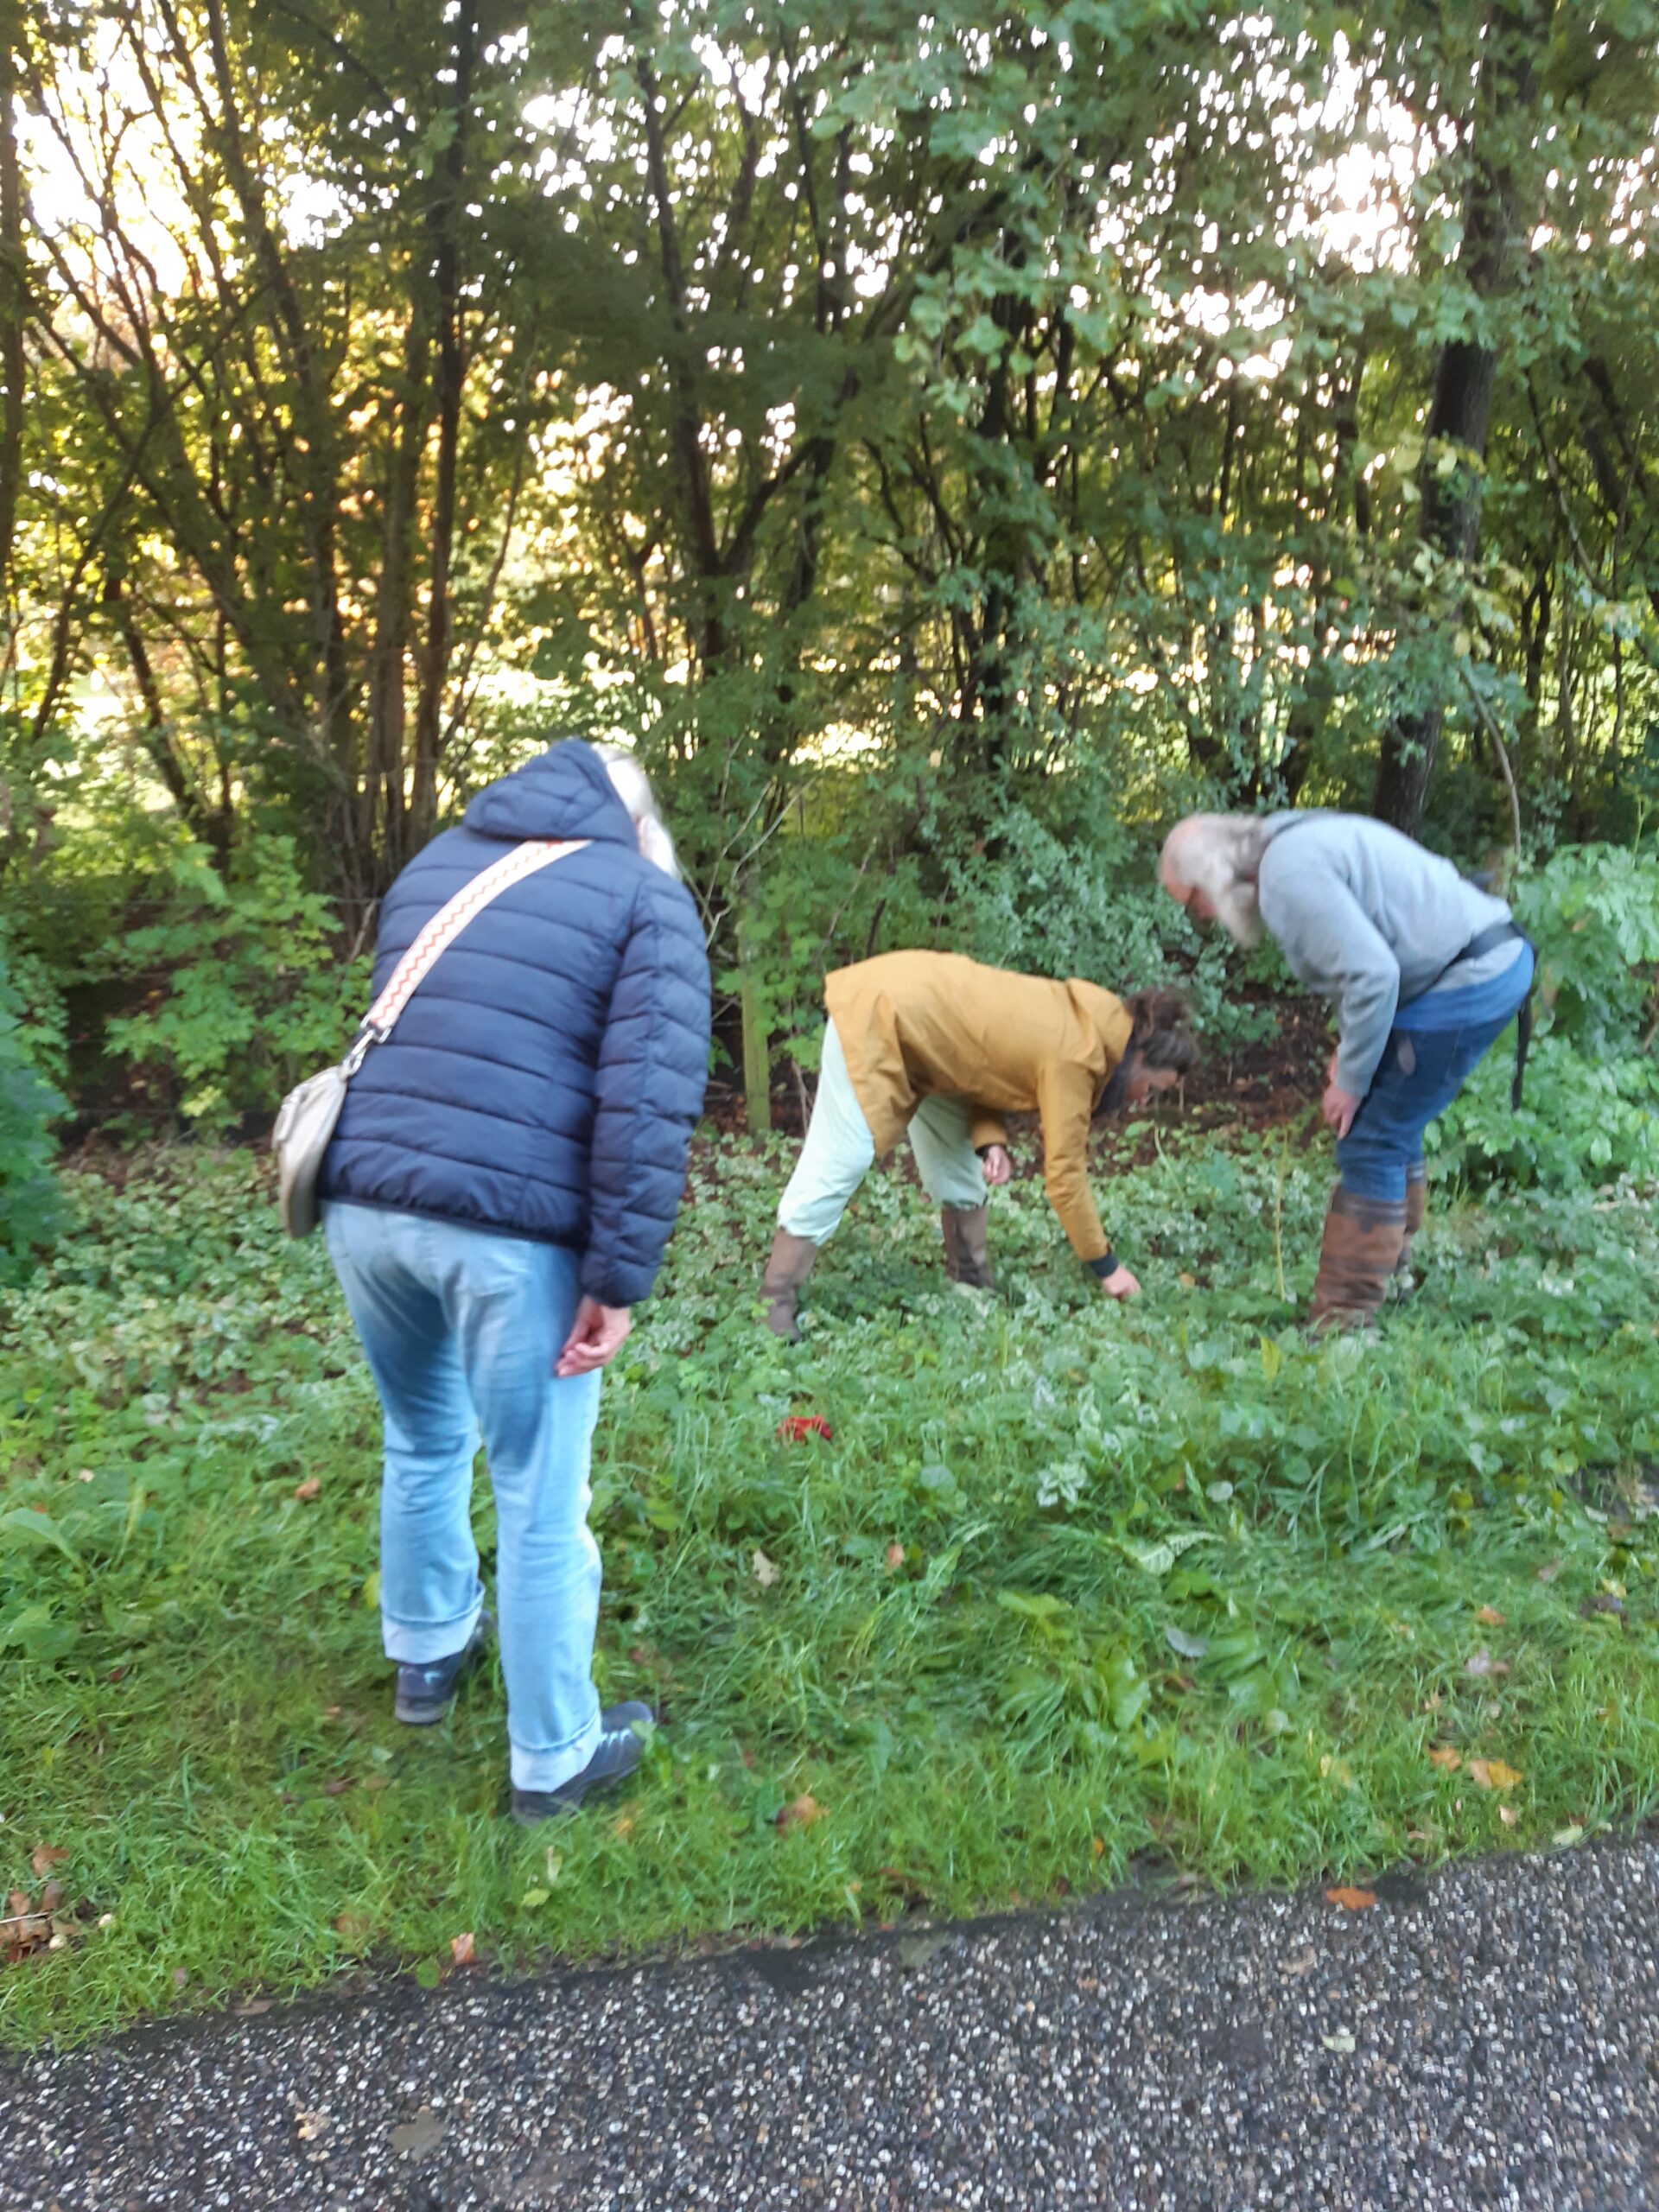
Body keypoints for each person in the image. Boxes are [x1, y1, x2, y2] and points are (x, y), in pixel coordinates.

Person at [319, 740, 709, 1824]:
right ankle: (555, 1756)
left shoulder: (437, 862)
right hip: (505, 1231)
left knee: (422, 1436)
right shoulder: (644, 896)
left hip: (364, 1205)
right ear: (639, 821)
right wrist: (616, 1281)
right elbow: (644, 1109)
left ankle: (428, 1650)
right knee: (540, 1492)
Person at [1157, 809, 1534, 1328]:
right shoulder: (1283, 847)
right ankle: (1392, 1277)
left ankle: (1344, 1322)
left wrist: (1351, 1084)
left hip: (1469, 974)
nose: (1199, 916)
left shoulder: (1287, 874)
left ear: (1213, 874)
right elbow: (1352, 964)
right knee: (1391, 1120)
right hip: (1470, 962)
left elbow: (1372, 977)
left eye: (1192, 901)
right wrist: (1349, 1048)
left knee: (1372, 1136)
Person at [759, 951, 1198, 1338]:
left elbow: (988, 1064)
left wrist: (990, 1143)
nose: (1144, 1101)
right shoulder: (1079, 1054)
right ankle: (775, 1299)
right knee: (845, 1155)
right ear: (1140, 1057)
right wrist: (1107, 1267)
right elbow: (1065, 1177)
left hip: (935, 1051)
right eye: (1153, 1088)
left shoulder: (1089, 1027)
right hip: (883, 1015)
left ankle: (970, 1282)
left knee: (959, 1169)